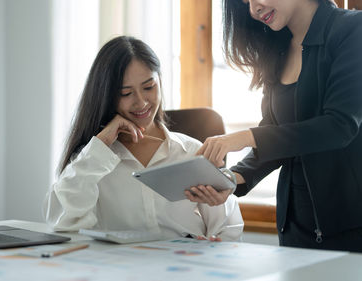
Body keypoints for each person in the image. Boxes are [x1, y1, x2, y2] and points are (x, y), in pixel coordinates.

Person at [185, 0, 362, 252]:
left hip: (349, 228)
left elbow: (340, 126)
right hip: (294, 227)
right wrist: (232, 180)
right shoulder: (277, 47)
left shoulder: (352, 30)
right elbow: (275, 130)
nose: (253, 9)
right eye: (245, 2)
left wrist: (247, 137)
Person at [43, 36, 243, 241]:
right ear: (106, 97)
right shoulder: (92, 159)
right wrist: (100, 146)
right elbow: (62, 222)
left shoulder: (191, 152)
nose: (141, 103)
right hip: (122, 269)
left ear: (160, 82)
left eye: (149, 87)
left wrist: (217, 245)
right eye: (126, 93)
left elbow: (228, 225)